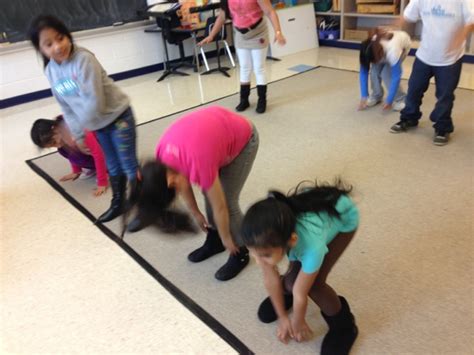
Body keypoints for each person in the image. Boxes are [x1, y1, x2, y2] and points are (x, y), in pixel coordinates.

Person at [28, 15, 140, 222]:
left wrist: (80, 130)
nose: (57, 47)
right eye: (49, 44)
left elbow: (93, 101)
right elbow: (66, 106)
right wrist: (78, 134)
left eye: (60, 38)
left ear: (68, 36)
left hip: (118, 117)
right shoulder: (51, 71)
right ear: (40, 49)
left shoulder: (83, 59)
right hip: (98, 125)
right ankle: (118, 203)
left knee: (128, 164)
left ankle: (145, 205)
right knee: (113, 165)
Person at [128, 105, 259, 281]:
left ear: (170, 181)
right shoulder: (161, 160)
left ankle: (240, 252)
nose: (176, 190)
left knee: (227, 200)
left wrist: (228, 237)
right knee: (208, 192)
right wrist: (196, 212)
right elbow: (181, 181)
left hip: (243, 137)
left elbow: (219, 207)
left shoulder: (197, 163)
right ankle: (215, 241)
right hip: (212, 136)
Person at [241, 180, 359, 354]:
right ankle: (285, 291)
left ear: (291, 241)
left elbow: (300, 293)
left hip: (344, 219)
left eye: (264, 255)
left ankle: (345, 326)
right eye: (253, 253)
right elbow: (270, 278)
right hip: (307, 226)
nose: (258, 261)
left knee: (315, 286)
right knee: (290, 283)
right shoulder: (262, 238)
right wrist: (282, 316)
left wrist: (298, 321)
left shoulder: (312, 247)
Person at [390, 0, 474, 146]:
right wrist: (392, 28)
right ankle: (409, 117)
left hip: (450, 58)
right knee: (414, 90)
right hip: (425, 54)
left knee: (445, 96)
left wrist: (461, 36)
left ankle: (442, 127)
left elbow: (471, 21)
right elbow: (408, 16)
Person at [199, 0, 286, 114]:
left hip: (258, 33)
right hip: (241, 35)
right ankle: (244, 100)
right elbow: (222, 17)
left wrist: (278, 32)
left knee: (259, 68)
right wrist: (211, 35)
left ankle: (262, 100)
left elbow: (270, 12)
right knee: (245, 67)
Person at [30, 116, 108, 196]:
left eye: (54, 142)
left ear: (55, 129)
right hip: (92, 152)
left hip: (107, 151)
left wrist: (102, 181)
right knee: (62, 150)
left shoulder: (78, 131)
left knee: (103, 159)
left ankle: (106, 170)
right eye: (52, 146)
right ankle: (94, 168)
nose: (58, 146)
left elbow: (99, 155)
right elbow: (71, 152)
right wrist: (76, 170)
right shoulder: (62, 137)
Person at [359, 28, 411, 112]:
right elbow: (363, 72)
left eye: (375, 60)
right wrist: (364, 96)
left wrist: (389, 100)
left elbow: (396, 76)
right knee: (374, 72)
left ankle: (401, 99)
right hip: (381, 51)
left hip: (403, 46)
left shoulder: (393, 50)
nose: (374, 63)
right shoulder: (368, 47)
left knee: (386, 74)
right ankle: (377, 95)